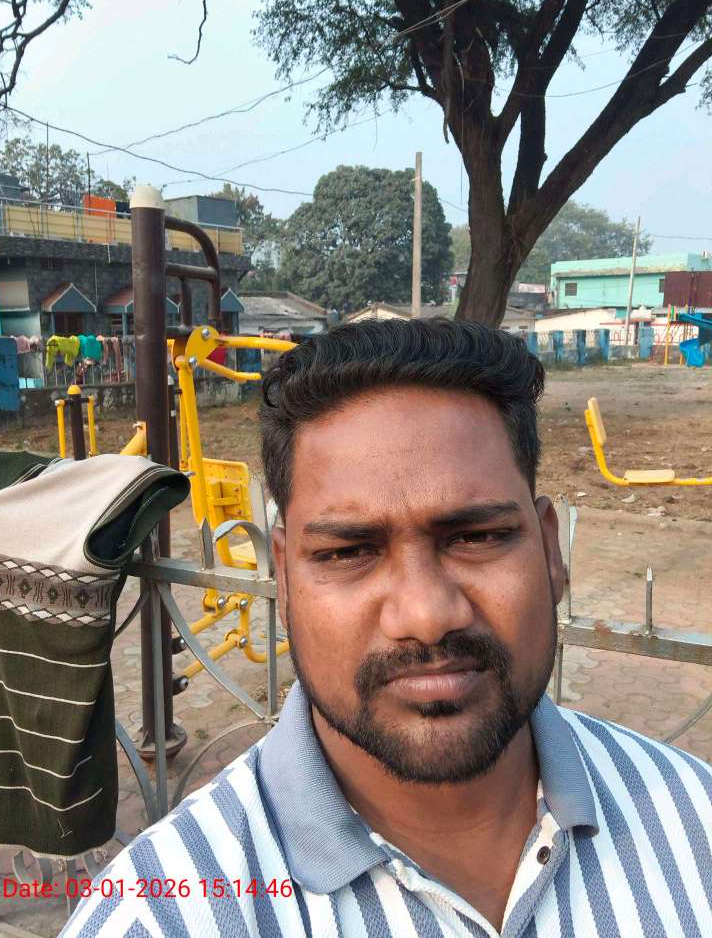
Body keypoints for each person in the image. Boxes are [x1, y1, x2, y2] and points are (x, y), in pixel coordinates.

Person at [62, 320, 712, 938]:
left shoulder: (696, 820)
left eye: (478, 537)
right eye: (348, 552)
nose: (425, 616)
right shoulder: (159, 916)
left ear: (549, 551)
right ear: (283, 579)